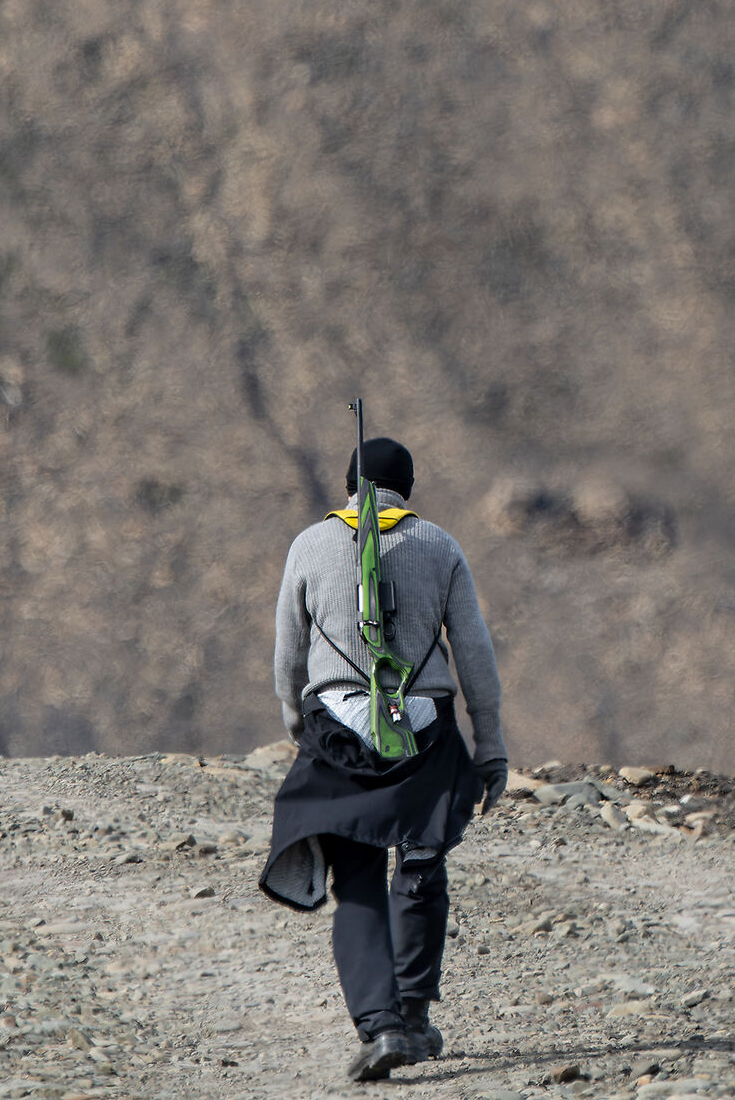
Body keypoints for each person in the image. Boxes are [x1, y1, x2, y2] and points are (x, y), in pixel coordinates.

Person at [260, 433, 513, 1082]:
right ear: (410, 488)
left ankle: (381, 1026)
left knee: (357, 880)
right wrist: (489, 745)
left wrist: (299, 726)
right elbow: (475, 654)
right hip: (423, 728)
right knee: (421, 864)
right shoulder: (439, 546)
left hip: (338, 729)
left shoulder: (309, 545)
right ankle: (415, 1013)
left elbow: (289, 657)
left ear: (348, 486)